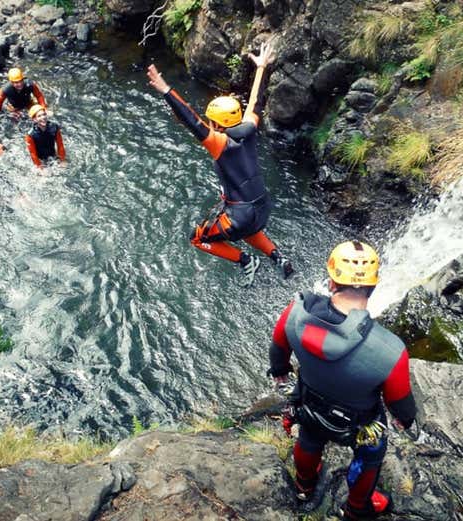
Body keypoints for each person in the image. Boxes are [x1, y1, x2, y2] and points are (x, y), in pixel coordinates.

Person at [268, 240, 416, 519]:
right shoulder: (390, 349)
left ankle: (304, 486)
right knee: (371, 452)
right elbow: (400, 405)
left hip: (309, 406)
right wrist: (406, 421)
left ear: (332, 282)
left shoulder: (296, 311)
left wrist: (281, 374)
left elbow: (278, 353)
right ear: (372, 288)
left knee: (309, 439)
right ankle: (356, 508)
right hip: (359, 423)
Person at [146, 41, 293, 287]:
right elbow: (256, 102)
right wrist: (261, 68)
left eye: (210, 121)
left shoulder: (220, 143)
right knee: (248, 229)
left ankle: (246, 261)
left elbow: (192, 121)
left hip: (240, 215)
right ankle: (278, 258)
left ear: (217, 123)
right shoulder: (249, 126)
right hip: (262, 207)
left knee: (197, 238)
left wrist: (165, 89)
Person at [25, 104, 66, 168]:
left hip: (52, 155)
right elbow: (33, 154)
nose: (43, 117)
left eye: (44, 114)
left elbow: (60, 145)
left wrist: (62, 160)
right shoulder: (30, 135)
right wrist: (40, 168)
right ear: (34, 119)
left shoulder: (54, 127)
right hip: (39, 159)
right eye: (39, 116)